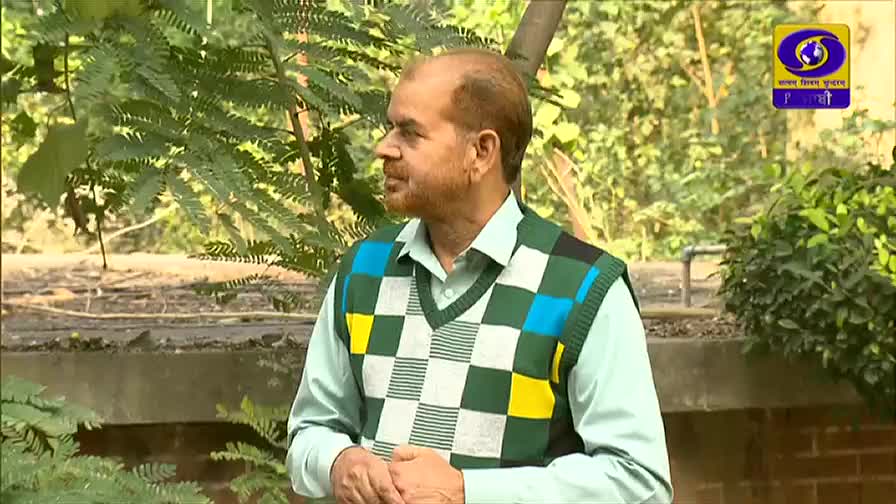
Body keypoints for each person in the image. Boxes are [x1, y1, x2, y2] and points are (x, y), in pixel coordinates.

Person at [285, 48, 673, 504]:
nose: (384, 147)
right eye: (391, 127)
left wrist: (469, 492)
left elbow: (639, 481)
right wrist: (337, 463)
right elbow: (311, 431)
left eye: (410, 133)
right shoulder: (362, 270)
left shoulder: (584, 288)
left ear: (481, 151)